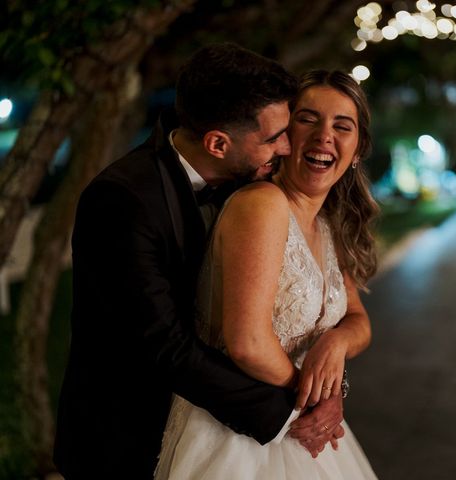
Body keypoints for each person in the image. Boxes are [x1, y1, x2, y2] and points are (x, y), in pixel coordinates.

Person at [53, 44, 347, 479]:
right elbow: (163, 344)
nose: (286, 148)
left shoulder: (245, 180)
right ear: (217, 143)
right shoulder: (123, 198)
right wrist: (299, 403)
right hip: (127, 434)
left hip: (212, 423)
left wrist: (332, 358)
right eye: (272, 138)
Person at [155, 70, 379, 479]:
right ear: (284, 133)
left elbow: (359, 320)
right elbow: (247, 342)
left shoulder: (327, 223)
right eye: (308, 119)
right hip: (237, 431)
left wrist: (335, 342)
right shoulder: (262, 205)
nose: (324, 135)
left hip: (297, 423)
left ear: (358, 148)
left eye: (341, 126)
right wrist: (313, 400)